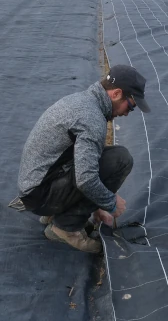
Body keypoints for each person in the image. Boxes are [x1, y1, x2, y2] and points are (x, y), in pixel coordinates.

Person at [17, 64, 151, 253]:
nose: (127, 113)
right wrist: (110, 203)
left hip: (38, 184)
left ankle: (59, 213)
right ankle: (65, 229)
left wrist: (97, 206)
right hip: (40, 194)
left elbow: (85, 159)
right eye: (130, 106)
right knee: (120, 160)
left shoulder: (82, 101)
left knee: (103, 156)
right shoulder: (91, 118)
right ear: (116, 93)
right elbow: (86, 178)